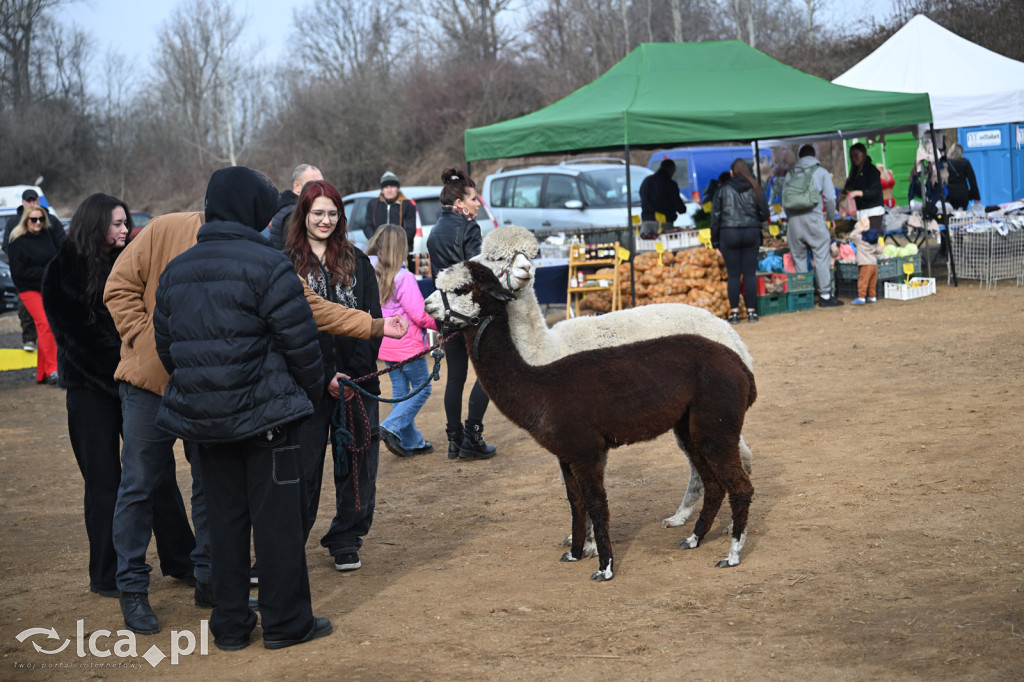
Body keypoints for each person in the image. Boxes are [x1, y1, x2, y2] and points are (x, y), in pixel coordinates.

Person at [104, 200, 407, 636]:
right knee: (140, 485)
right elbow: (119, 289)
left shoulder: (260, 251)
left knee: (213, 493)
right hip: (154, 384)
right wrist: (148, 342)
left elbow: (307, 309)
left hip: (214, 392)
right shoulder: (167, 232)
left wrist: (374, 326)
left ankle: (214, 587)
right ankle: (133, 587)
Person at [153, 166, 331, 651]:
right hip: (266, 421)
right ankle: (286, 624)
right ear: (254, 209)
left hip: (206, 424)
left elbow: (168, 348)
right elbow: (302, 347)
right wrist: (308, 397)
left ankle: (230, 626)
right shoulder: (268, 265)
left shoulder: (177, 270)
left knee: (224, 525)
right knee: (277, 527)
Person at [41, 193, 196, 600]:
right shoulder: (63, 268)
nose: (125, 229)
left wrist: (140, 367)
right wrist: (124, 368)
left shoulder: (132, 259)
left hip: (136, 382)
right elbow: (74, 335)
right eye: (116, 223)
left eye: (126, 222)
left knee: (157, 472)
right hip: (90, 389)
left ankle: (181, 558)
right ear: (94, 225)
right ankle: (107, 573)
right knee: (104, 479)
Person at [284, 179, 383, 574]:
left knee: (359, 465)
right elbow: (289, 330)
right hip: (305, 385)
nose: (325, 220)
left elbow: (371, 320)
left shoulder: (358, 262)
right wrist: (324, 374)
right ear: (303, 215)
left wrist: (353, 376)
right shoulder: (286, 263)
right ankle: (288, 544)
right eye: (317, 213)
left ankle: (346, 536)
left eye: (331, 213)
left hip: (357, 382)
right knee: (302, 471)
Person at [426, 168, 497, 461]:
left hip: (446, 314)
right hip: (472, 314)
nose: (478, 203)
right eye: (473, 198)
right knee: (489, 374)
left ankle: (455, 443)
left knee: (455, 378)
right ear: (459, 203)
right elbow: (475, 274)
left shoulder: (433, 232)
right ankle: (472, 437)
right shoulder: (470, 229)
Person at [366, 223, 438, 458]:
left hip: (385, 342)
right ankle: (391, 426)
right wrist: (443, 324)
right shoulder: (403, 277)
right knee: (422, 389)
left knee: (400, 392)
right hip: (407, 344)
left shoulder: (369, 272)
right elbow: (418, 314)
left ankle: (411, 441)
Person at [709, 158, 769, 325]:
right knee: (750, 274)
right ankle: (752, 313)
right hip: (751, 232)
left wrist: (715, 243)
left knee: (733, 275)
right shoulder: (756, 187)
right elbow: (764, 214)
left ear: (732, 172)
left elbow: (715, 219)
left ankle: (734, 313)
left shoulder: (722, 190)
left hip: (729, 234)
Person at [7, 205, 62, 383]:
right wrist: (46, 271)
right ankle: (53, 370)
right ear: (26, 221)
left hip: (48, 287)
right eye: (33, 219)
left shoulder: (48, 235)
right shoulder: (17, 241)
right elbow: (18, 272)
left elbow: (58, 258)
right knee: (45, 324)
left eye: (41, 219)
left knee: (48, 326)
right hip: (28, 289)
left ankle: (42, 374)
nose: (38, 223)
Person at [784, 144, 841, 308]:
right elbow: (830, 198)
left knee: (799, 258)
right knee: (821, 257)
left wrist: (791, 219)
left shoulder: (790, 174)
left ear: (799, 157)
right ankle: (824, 295)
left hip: (794, 221)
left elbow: (784, 200)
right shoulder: (821, 172)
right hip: (814, 218)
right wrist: (831, 218)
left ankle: (804, 296)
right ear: (814, 155)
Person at [267, 163, 323, 250]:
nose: (320, 187)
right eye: (313, 184)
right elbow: (298, 251)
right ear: (297, 186)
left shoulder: (292, 208)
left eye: (322, 183)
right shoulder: (292, 213)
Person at [363, 171, 417, 251]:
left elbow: (410, 230)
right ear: (382, 190)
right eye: (385, 187)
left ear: (398, 188)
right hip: (378, 250)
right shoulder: (373, 204)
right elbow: (367, 226)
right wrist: (377, 241)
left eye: (392, 186)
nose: (389, 190)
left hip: (400, 251)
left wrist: (394, 244)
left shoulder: (408, 205)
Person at [843, 143, 885, 235]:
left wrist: (857, 193)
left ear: (863, 154)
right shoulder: (854, 172)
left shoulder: (872, 171)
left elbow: (874, 191)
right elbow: (848, 188)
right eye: (852, 156)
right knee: (851, 236)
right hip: (857, 213)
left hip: (873, 213)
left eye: (856, 155)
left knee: (869, 240)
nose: (854, 159)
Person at [639, 159, 687, 237]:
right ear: (670, 169)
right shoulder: (670, 184)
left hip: (646, 223)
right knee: (665, 248)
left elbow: (642, 197)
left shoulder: (647, 181)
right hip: (664, 225)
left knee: (648, 247)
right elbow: (679, 206)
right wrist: (682, 209)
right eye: (673, 171)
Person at [847, 220, 883, 305]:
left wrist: (860, 229)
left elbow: (852, 236)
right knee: (872, 282)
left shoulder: (860, 239)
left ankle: (861, 297)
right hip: (873, 264)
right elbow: (880, 250)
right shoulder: (874, 240)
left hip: (865, 264)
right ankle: (872, 296)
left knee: (863, 281)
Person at [944, 143, 980, 210]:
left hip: (949, 194)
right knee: (962, 216)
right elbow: (972, 181)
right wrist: (976, 197)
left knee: (950, 216)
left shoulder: (946, 163)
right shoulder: (965, 162)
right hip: (962, 194)